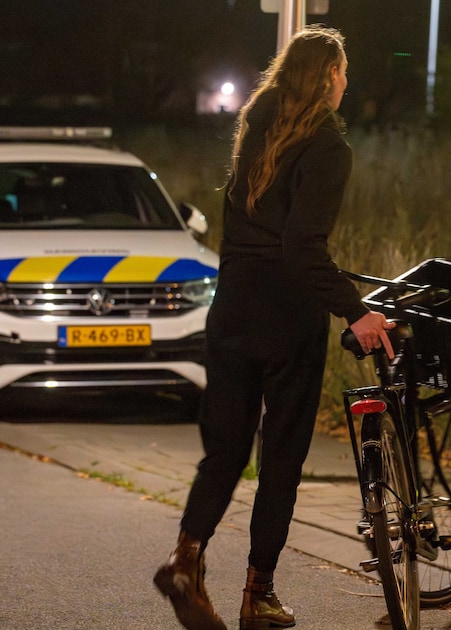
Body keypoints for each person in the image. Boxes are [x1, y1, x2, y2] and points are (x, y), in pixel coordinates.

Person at [153, 25, 394, 630]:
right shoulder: (328, 148)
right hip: (288, 321)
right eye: (342, 71)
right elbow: (301, 249)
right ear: (328, 77)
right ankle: (257, 594)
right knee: (280, 459)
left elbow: (247, 235)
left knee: (226, 450)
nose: (346, 81)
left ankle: (186, 559)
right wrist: (356, 311)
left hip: (232, 311)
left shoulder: (255, 127)